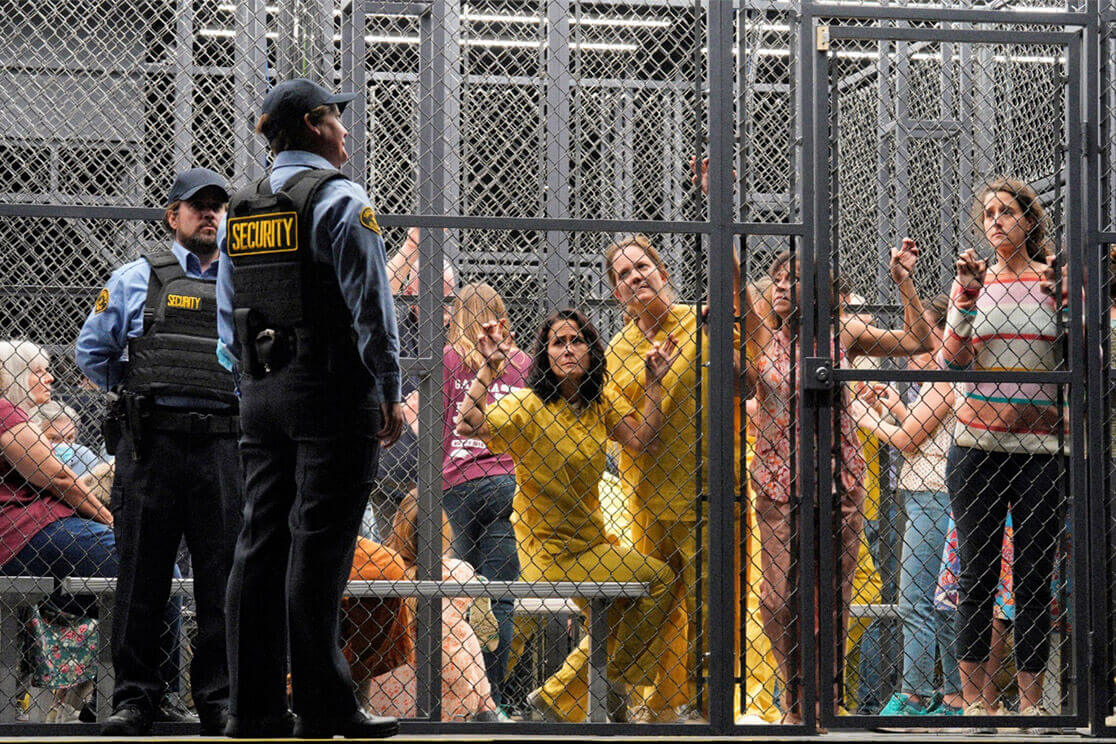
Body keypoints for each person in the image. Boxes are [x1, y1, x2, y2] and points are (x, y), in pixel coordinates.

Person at [216, 77, 403, 739]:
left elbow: (229, 318)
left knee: (259, 543)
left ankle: (253, 708)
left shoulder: (240, 209)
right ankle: (324, 706)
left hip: (264, 392)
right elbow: (370, 312)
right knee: (319, 550)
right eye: (338, 117)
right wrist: (387, 390)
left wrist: (252, 387)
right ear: (316, 123)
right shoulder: (340, 199)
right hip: (330, 392)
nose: (347, 130)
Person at [76, 167, 242, 737]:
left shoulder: (242, 283)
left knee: (222, 581)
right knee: (142, 575)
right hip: (152, 445)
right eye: (198, 206)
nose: (210, 214)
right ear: (172, 215)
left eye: (218, 206)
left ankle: (219, 701)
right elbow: (92, 352)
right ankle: (136, 699)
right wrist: (140, 390)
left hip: (223, 445)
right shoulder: (134, 278)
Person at [455, 309, 677, 723]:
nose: (569, 349)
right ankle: (603, 687)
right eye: (559, 342)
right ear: (546, 355)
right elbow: (467, 424)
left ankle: (571, 693)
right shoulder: (529, 405)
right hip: (549, 550)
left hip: (592, 544)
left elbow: (641, 439)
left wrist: (654, 382)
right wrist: (489, 367)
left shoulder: (599, 404)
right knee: (651, 586)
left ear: (592, 351)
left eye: (578, 340)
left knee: (640, 597)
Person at [749, 242, 931, 723]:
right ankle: (792, 697)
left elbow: (918, 341)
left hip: (838, 476)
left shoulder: (840, 330)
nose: (784, 285)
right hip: (775, 478)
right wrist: (716, 198)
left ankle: (825, 701)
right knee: (776, 596)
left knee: (833, 594)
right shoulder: (762, 332)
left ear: (820, 290)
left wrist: (904, 281)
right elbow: (729, 278)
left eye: (795, 277)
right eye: (778, 277)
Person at [601, 232, 746, 722]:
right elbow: (629, 432)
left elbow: (746, 379)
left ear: (663, 273)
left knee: (712, 604)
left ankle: (709, 703)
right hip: (646, 498)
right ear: (617, 293)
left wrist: (725, 333)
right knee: (650, 604)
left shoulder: (702, 320)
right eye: (622, 275)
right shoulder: (617, 351)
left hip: (708, 490)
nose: (634, 277)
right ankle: (644, 701)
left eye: (641, 267)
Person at [941, 177, 1066, 728]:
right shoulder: (973, 281)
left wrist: (1066, 297)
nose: (996, 221)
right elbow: (952, 361)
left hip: (1042, 448)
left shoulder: (1053, 280)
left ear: (1029, 222)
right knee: (978, 574)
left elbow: (1080, 350)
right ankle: (974, 701)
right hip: (977, 446)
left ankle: (1032, 702)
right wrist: (966, 296)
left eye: (1007, 212)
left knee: (1036, 575)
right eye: (988, 213)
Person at [851, 294, 964, 718]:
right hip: (929, 492)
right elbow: (920, 428)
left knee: (917, 599)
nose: (912, 348)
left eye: (923, 336)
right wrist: (891, 406)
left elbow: (907, 440)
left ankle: (916, 694)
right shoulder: (941, 381)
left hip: (933, 496)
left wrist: (860, 412)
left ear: (939, 336)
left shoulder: (944, 378)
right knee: (938, 599)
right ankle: (950, 694)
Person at [439, 282, 528, 709]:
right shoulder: (522, 363)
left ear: (458, 314)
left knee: (455, 596)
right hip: (505, 478)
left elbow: (440, 429)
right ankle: (494, 702)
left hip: (457, 483)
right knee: (500, 595)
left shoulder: (446, 360)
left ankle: (458, 699)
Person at [363, 491, 500, 721]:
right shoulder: (459, 572)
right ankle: (486, 705)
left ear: (398, 525)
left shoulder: (382, 568)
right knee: (462, 632)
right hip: (449, 692)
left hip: (381, 690)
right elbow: (491, 642)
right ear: (443, 531)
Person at [32, 401, 110, 478]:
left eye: (69, 438)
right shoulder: (26, 460)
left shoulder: (84, 456)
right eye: (54, 439)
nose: (63, 444)